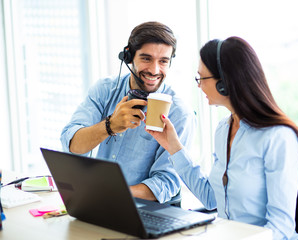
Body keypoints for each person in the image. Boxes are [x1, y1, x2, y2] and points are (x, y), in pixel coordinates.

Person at [146, 37, 298, 239]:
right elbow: (211, 199)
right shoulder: (224, 129)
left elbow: (281, 228)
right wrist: (173, 147)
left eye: (201, 78)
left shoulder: (278, 138)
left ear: (224, 83)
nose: (199, 86)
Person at [60, 21, 196, 204]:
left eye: (163, 61)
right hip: (98, 203)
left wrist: (111, 192)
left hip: (146, 209)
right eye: (146, 58)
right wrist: (110, 126)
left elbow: (165, 182)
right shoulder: (105, 90)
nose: (155, 70)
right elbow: (72, 144)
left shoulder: (179, 113)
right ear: (128, 57)